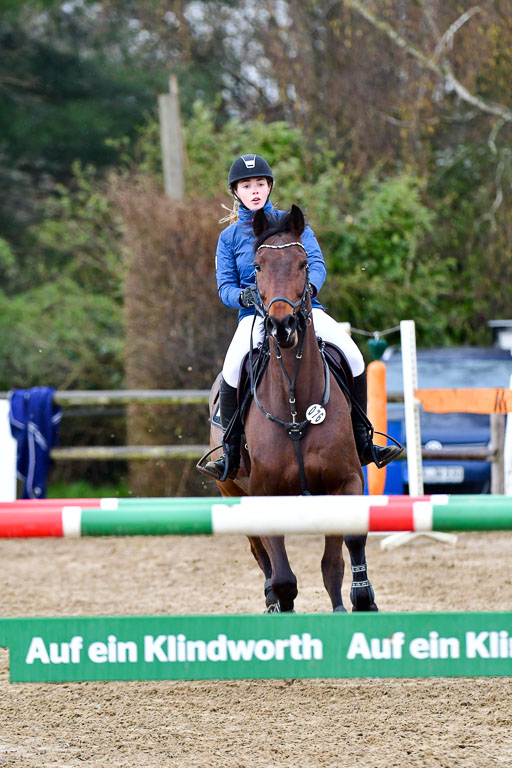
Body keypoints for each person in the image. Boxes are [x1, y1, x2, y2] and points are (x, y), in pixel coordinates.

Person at [204, 153, 401, 480]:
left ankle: (363, 440)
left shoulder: (293, 225)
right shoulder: (229, 238)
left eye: (260, 184)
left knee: (351, 353)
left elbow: (317, 265)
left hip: (305, 311)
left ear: (269, 186)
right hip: (254, 317)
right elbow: (224, 285)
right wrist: (242, 296)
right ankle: (232, 452)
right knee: (232, 368)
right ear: (235, 192)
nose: (255, 190)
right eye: (247, 185)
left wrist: (307, 290)